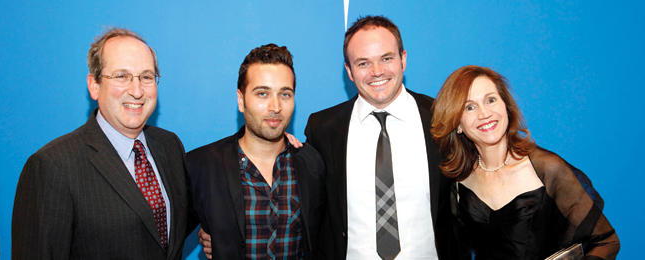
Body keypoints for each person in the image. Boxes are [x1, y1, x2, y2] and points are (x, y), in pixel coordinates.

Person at [12, 28, 197, 259]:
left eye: (146, 77)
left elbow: (168, 229)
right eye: (121, 76)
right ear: (94, 85)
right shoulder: (53, 166)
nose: (137, 91)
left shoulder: (169, 145)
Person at [304, 16, 467, 259]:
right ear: (349, 71)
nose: (377, 72)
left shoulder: (442, 119)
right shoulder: (322, 128)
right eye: (363, 63)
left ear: (403, 59)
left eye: (386, 58)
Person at [430, 65, 620, 259]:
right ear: (458, 123)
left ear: (506, 107)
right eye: (469, 107)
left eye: (491, 100)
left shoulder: (548, 169)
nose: (484, 113)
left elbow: (607, 241)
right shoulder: (458, 181)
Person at [187, 44, 326, 259]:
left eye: (285, 94)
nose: (275, 106)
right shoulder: (202, 165)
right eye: (262, 93)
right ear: (241, 100)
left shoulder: (312, 163)